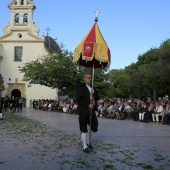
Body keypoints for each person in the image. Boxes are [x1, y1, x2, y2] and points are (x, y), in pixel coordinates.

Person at [75, 73, 100, 153]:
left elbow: (98, 97)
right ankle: (85, 145)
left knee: (94, 126)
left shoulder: (93, 87)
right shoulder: (80, 87)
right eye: (88, 78)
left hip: (91, 110)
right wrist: (87, 104)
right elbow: (77, 99)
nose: (90, 79)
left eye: (91, 78)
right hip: (83, 110)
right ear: (84, 78)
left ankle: (88, 141)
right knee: (84, 127)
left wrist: (94, 93)